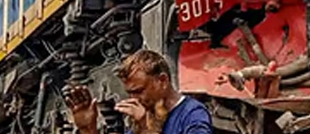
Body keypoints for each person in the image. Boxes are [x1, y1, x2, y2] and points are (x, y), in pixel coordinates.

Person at [64, 49, 212, 134]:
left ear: (163, 80)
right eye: (130, 93)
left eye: (139, 91)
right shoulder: (143, 120)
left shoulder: (192, 114)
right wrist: (88, 129)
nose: (134, 99)